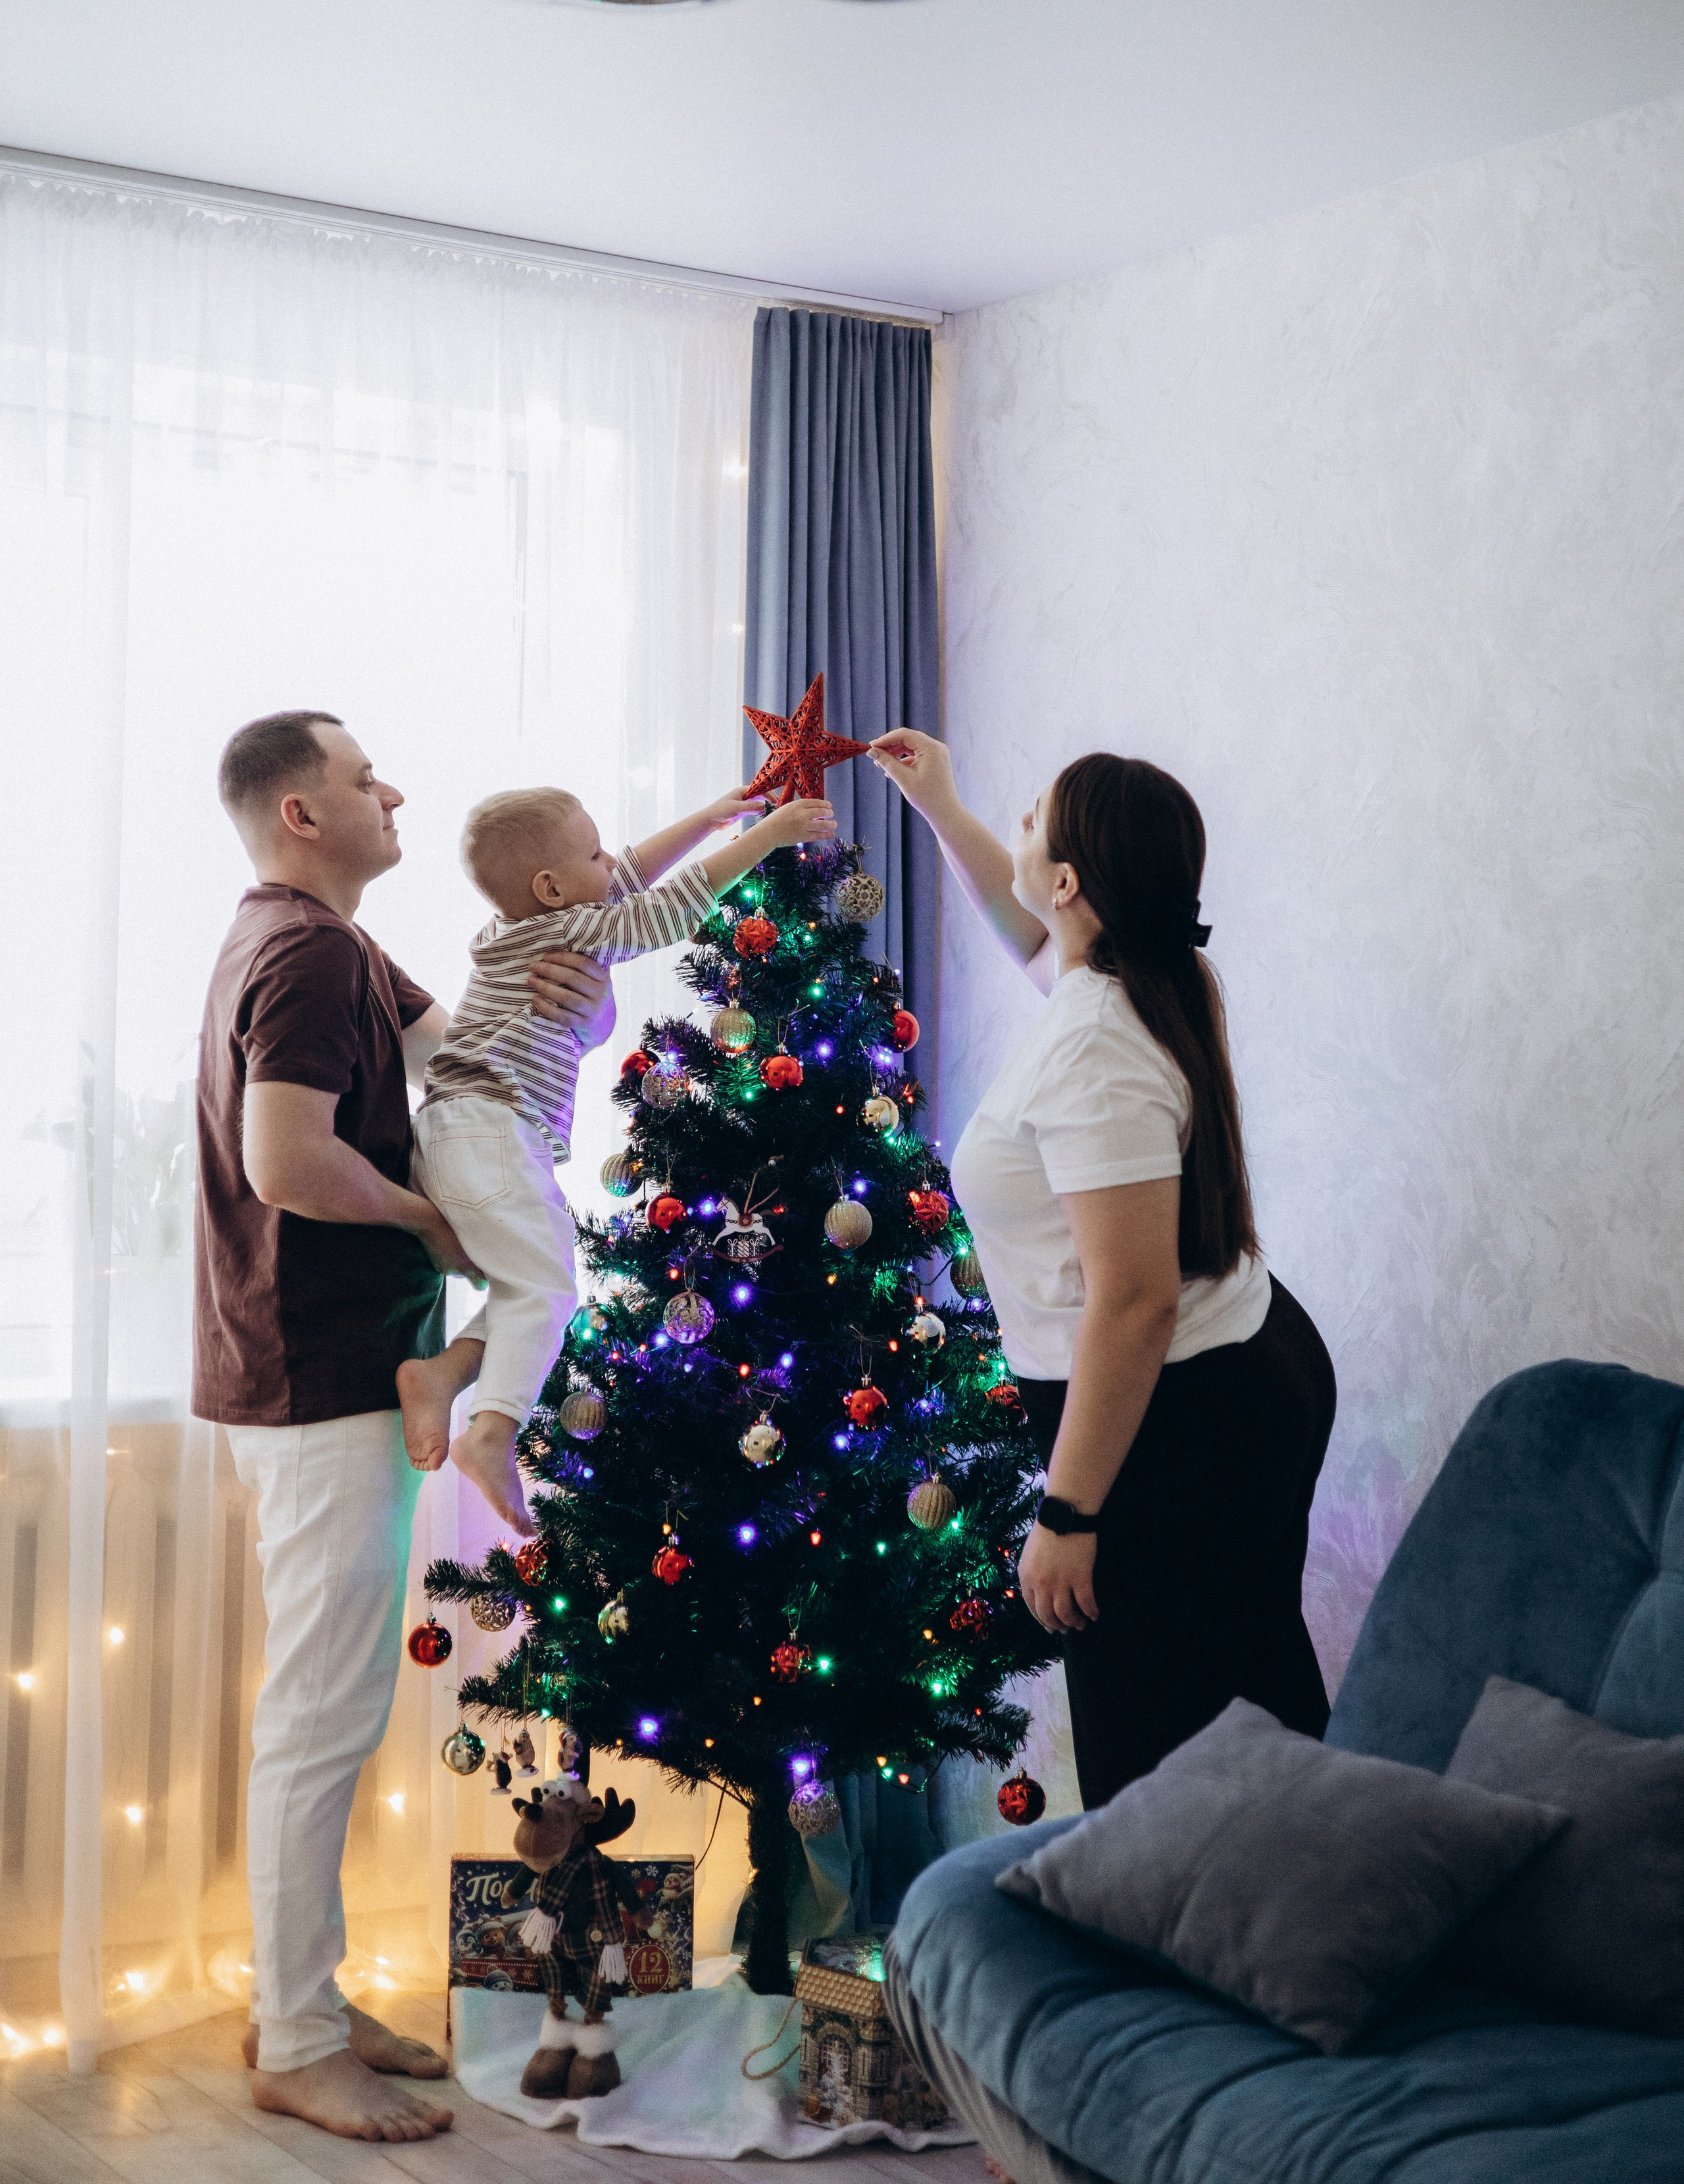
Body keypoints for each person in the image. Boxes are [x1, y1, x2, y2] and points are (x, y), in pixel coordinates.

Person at [194, 709, 614, 2144]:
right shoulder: (309, 952)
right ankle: (297, 2041)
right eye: (363, 778)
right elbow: (285, 1160)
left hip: (326, 1364)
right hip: (313, 1372)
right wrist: (439, 1226)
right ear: (301, 814)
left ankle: (297, 2001)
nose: (394, 793)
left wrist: (568, 975)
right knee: (321, 1720)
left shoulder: (339, 948)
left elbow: (461, 1058)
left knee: (331, 1709)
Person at [869, 732, 1336, 1808]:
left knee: (1164, 1755)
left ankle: (1248, 1908)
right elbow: (1027, 929)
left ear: (1072, 883)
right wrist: (941, 802)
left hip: (1183, 1415)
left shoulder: (1098, 1043)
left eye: (1033, 821)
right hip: (1233, 1367)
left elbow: (1134, 1300)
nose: (1021, 831)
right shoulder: (1141, 977)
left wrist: (1069, 1517)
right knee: (1247, 1699)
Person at [399, 778, 839, 1532]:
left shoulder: (523, 925)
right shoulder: (568, 929)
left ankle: (443, 1375)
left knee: (529, 1286)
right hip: (489, 1128)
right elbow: (666, 908)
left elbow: (627, 875)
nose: (611, 864)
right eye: (593, 854)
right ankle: (492, 1432)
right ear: (551, 887)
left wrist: (705, 819)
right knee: (547, 1288)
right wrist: (766, 836)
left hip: (455, 1131)